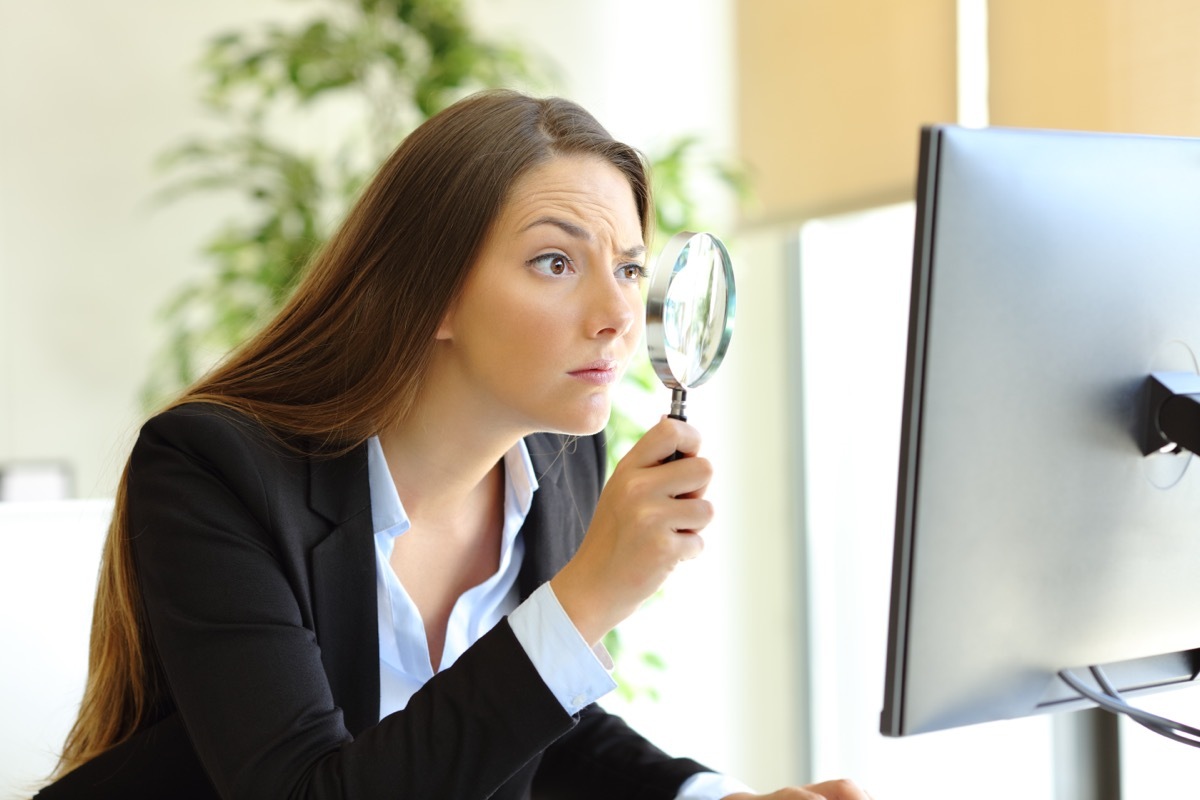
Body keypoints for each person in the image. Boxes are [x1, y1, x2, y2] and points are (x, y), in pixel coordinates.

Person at [36, 90, 873, 800]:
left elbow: (542, 728)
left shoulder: (559, 454)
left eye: (627, 267)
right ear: (428, 292)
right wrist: (588, 596)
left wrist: (710, 798)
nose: (617, 314)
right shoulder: (213, 470)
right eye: (554, 262)